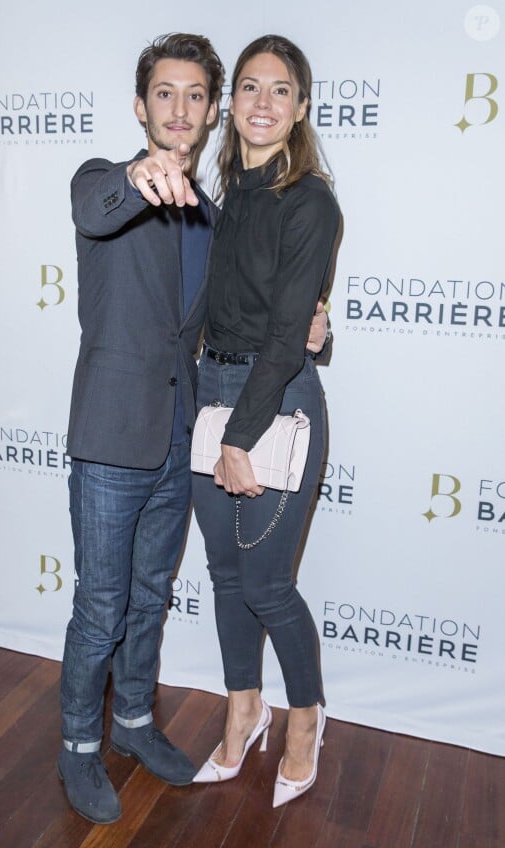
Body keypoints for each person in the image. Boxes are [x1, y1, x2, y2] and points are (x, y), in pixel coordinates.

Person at [58, 33, 330, 825]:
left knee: (150, 596)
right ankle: (79, 743)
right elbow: (94, 204)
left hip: (186, 436)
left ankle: (136, 724)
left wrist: (313, 328)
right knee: (100, 605)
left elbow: (249, 313)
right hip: (110, 438)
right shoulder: (105, 181)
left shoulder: (216, 215)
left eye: (195, 96)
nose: (181, 109)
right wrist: (139, 179)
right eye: (164, 94)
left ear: (212, 114)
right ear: (141, 107)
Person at [191, 35, 341, 808]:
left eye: (280, 90)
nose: (261, 102)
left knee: (266, 584)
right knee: (222, 577)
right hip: (212, 393)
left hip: (271, 406)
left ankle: (306, 718)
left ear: (301, 107)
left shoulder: (310, 201)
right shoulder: (223, 203)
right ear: (230, 106)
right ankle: (243, 709)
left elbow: (287, 338)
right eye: (249, 86)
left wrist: (236, 438)